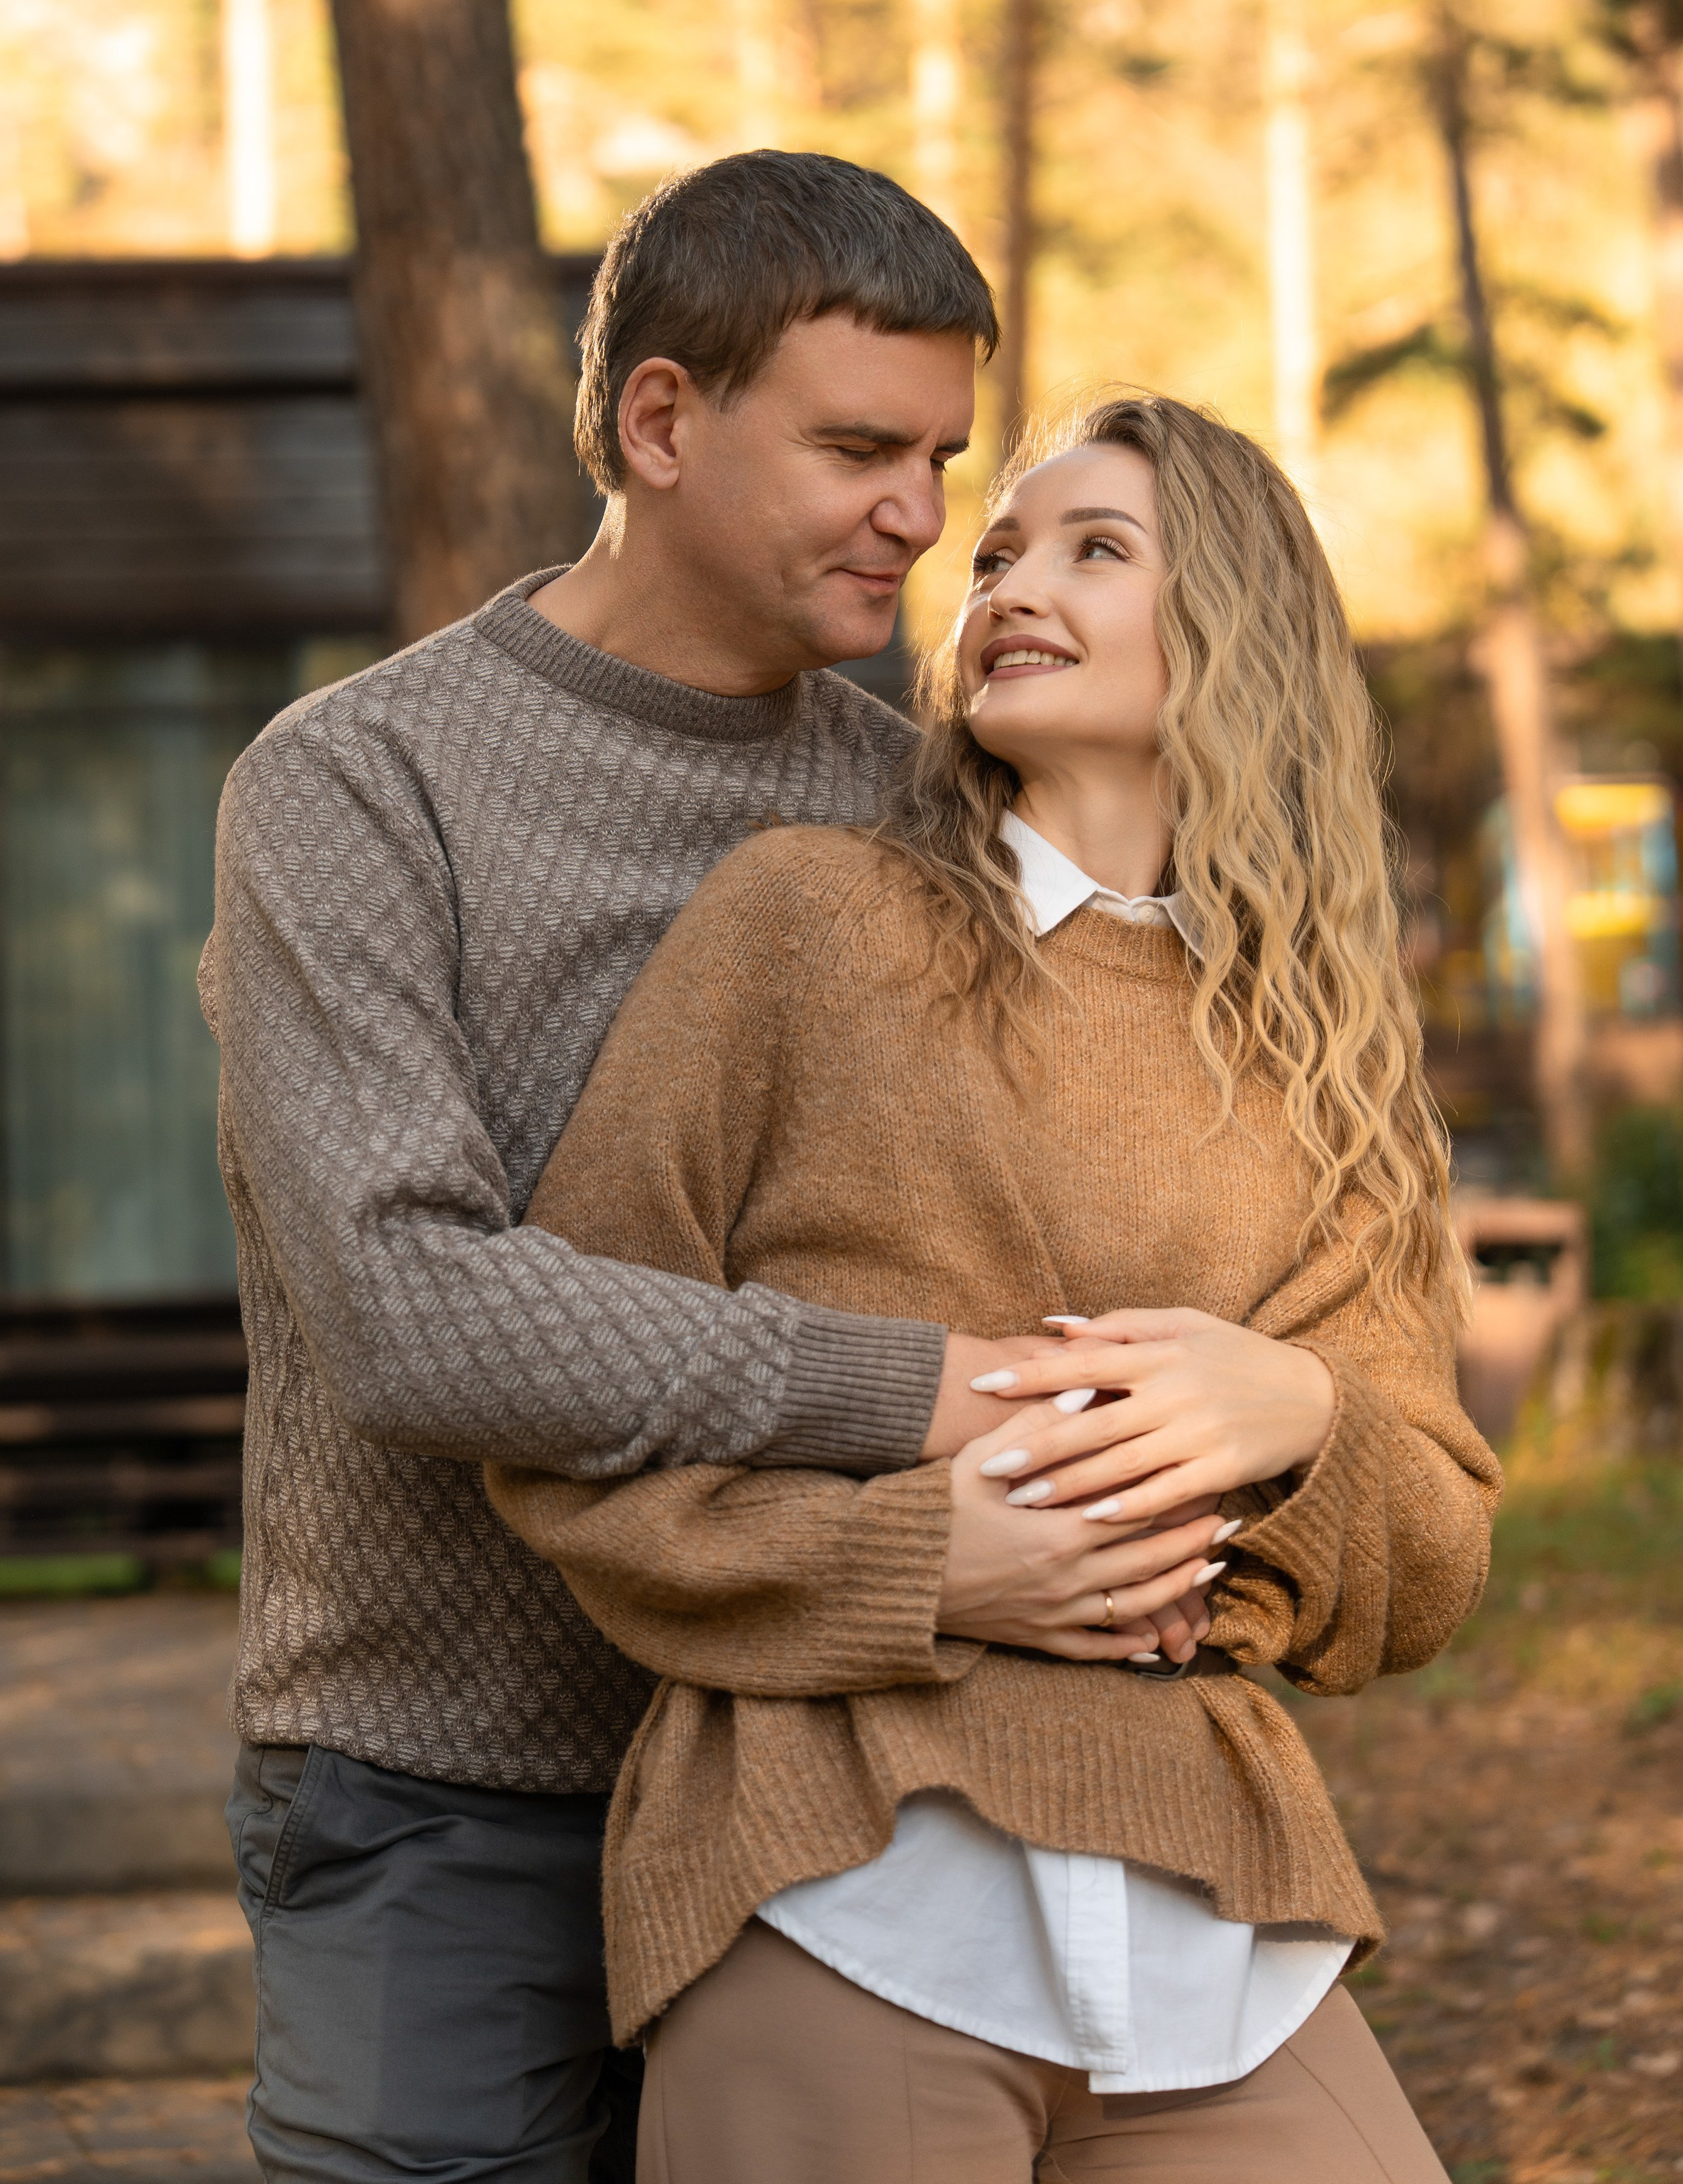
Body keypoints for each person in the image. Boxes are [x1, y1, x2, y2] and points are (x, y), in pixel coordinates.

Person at [201, 158, 1217, 2184]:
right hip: (450, 1782)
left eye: (941, 456)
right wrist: (928, 1393)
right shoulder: (355, 785)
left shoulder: (923, 806)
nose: (924, 519)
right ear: (659, 424)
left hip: (840, 1763)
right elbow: (415, 1309)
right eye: (860, 446)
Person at [490, 393, 1501, 2183]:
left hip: (1220, 1935)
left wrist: (1302, 1417)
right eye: (1001, 552)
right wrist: (921, 1563)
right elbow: (562, 1399)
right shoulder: (807, 926)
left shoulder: (1319, 1055)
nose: (1008, 583)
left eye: (1093, 548)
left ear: (1236, 623)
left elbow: (1426, 1547)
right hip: (841, 1885)